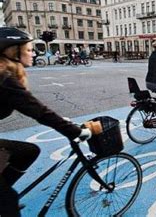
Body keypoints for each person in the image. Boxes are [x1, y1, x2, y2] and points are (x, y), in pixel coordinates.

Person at [0, 27, 91, 216]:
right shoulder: (4, 79)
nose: (33, 53)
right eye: (28, 50)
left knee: (28, 152)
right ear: (13, 51)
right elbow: (39, 112)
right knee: (7, 199)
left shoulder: (6, 75)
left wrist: (61, 122)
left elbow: (31, 107)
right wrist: (75, 131)